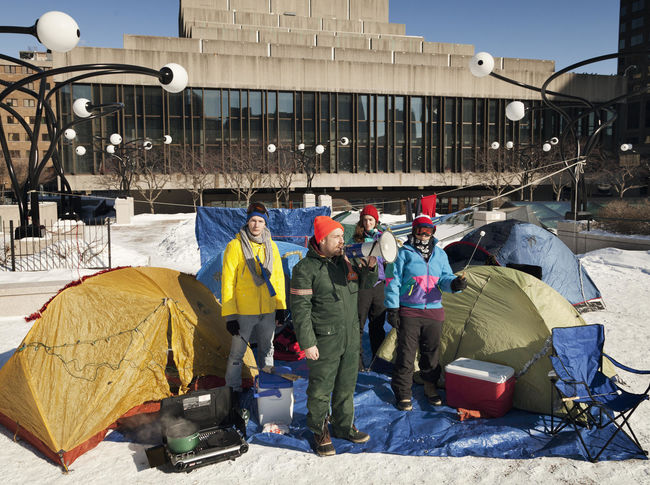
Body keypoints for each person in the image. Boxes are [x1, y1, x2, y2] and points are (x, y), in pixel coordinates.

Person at [290, 215, 377, 456]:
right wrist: (307, 343)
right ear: (322, 239)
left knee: (346, 386)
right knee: (320, 388)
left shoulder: (346, 263)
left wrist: (369, 267)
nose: (342, 241)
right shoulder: (305, 269)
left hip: (350, 336)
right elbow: (300, 310)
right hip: (324, 339)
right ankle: (319, 429)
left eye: (342, 236)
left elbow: (365, 285)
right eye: (337, 237)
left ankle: (343, 425)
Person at [384, 214, 467, 411]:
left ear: (433, 233)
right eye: (420, 231)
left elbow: (445, 278)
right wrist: (393, 308)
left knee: (431, 354)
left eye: (428, 231)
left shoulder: (440, 255)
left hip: (434, 311)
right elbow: (392, 281)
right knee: (406, 355)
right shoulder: (402, 253)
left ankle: (430, 386)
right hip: (410, 311)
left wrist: (454, 284)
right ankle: (403, 393)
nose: (424, 235)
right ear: (413, 232)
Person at [221, 202, 286, 393]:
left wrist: (281, 307)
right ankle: (232, 390)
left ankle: (267, 385)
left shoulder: (271, 246)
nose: (256, 225)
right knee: (237, 354)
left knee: (268, 350)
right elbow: (227, 282)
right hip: (244, 311)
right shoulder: (235, 246)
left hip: (267, 309)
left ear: (265, 224)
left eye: (260, 221)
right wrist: (230, 315)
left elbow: (278, 278)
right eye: (252, 221)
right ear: (247, 222)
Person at [349, 204, 387, 371]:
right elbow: (350, 259)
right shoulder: (356, 240)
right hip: (363, 286)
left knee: (377, 325)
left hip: (380, 285)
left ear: (376, 221)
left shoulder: (384, 238)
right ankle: (357, 362)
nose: (367, 222)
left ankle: (377, 361)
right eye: (364, 220)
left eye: (370, 219)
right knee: (358, 324)